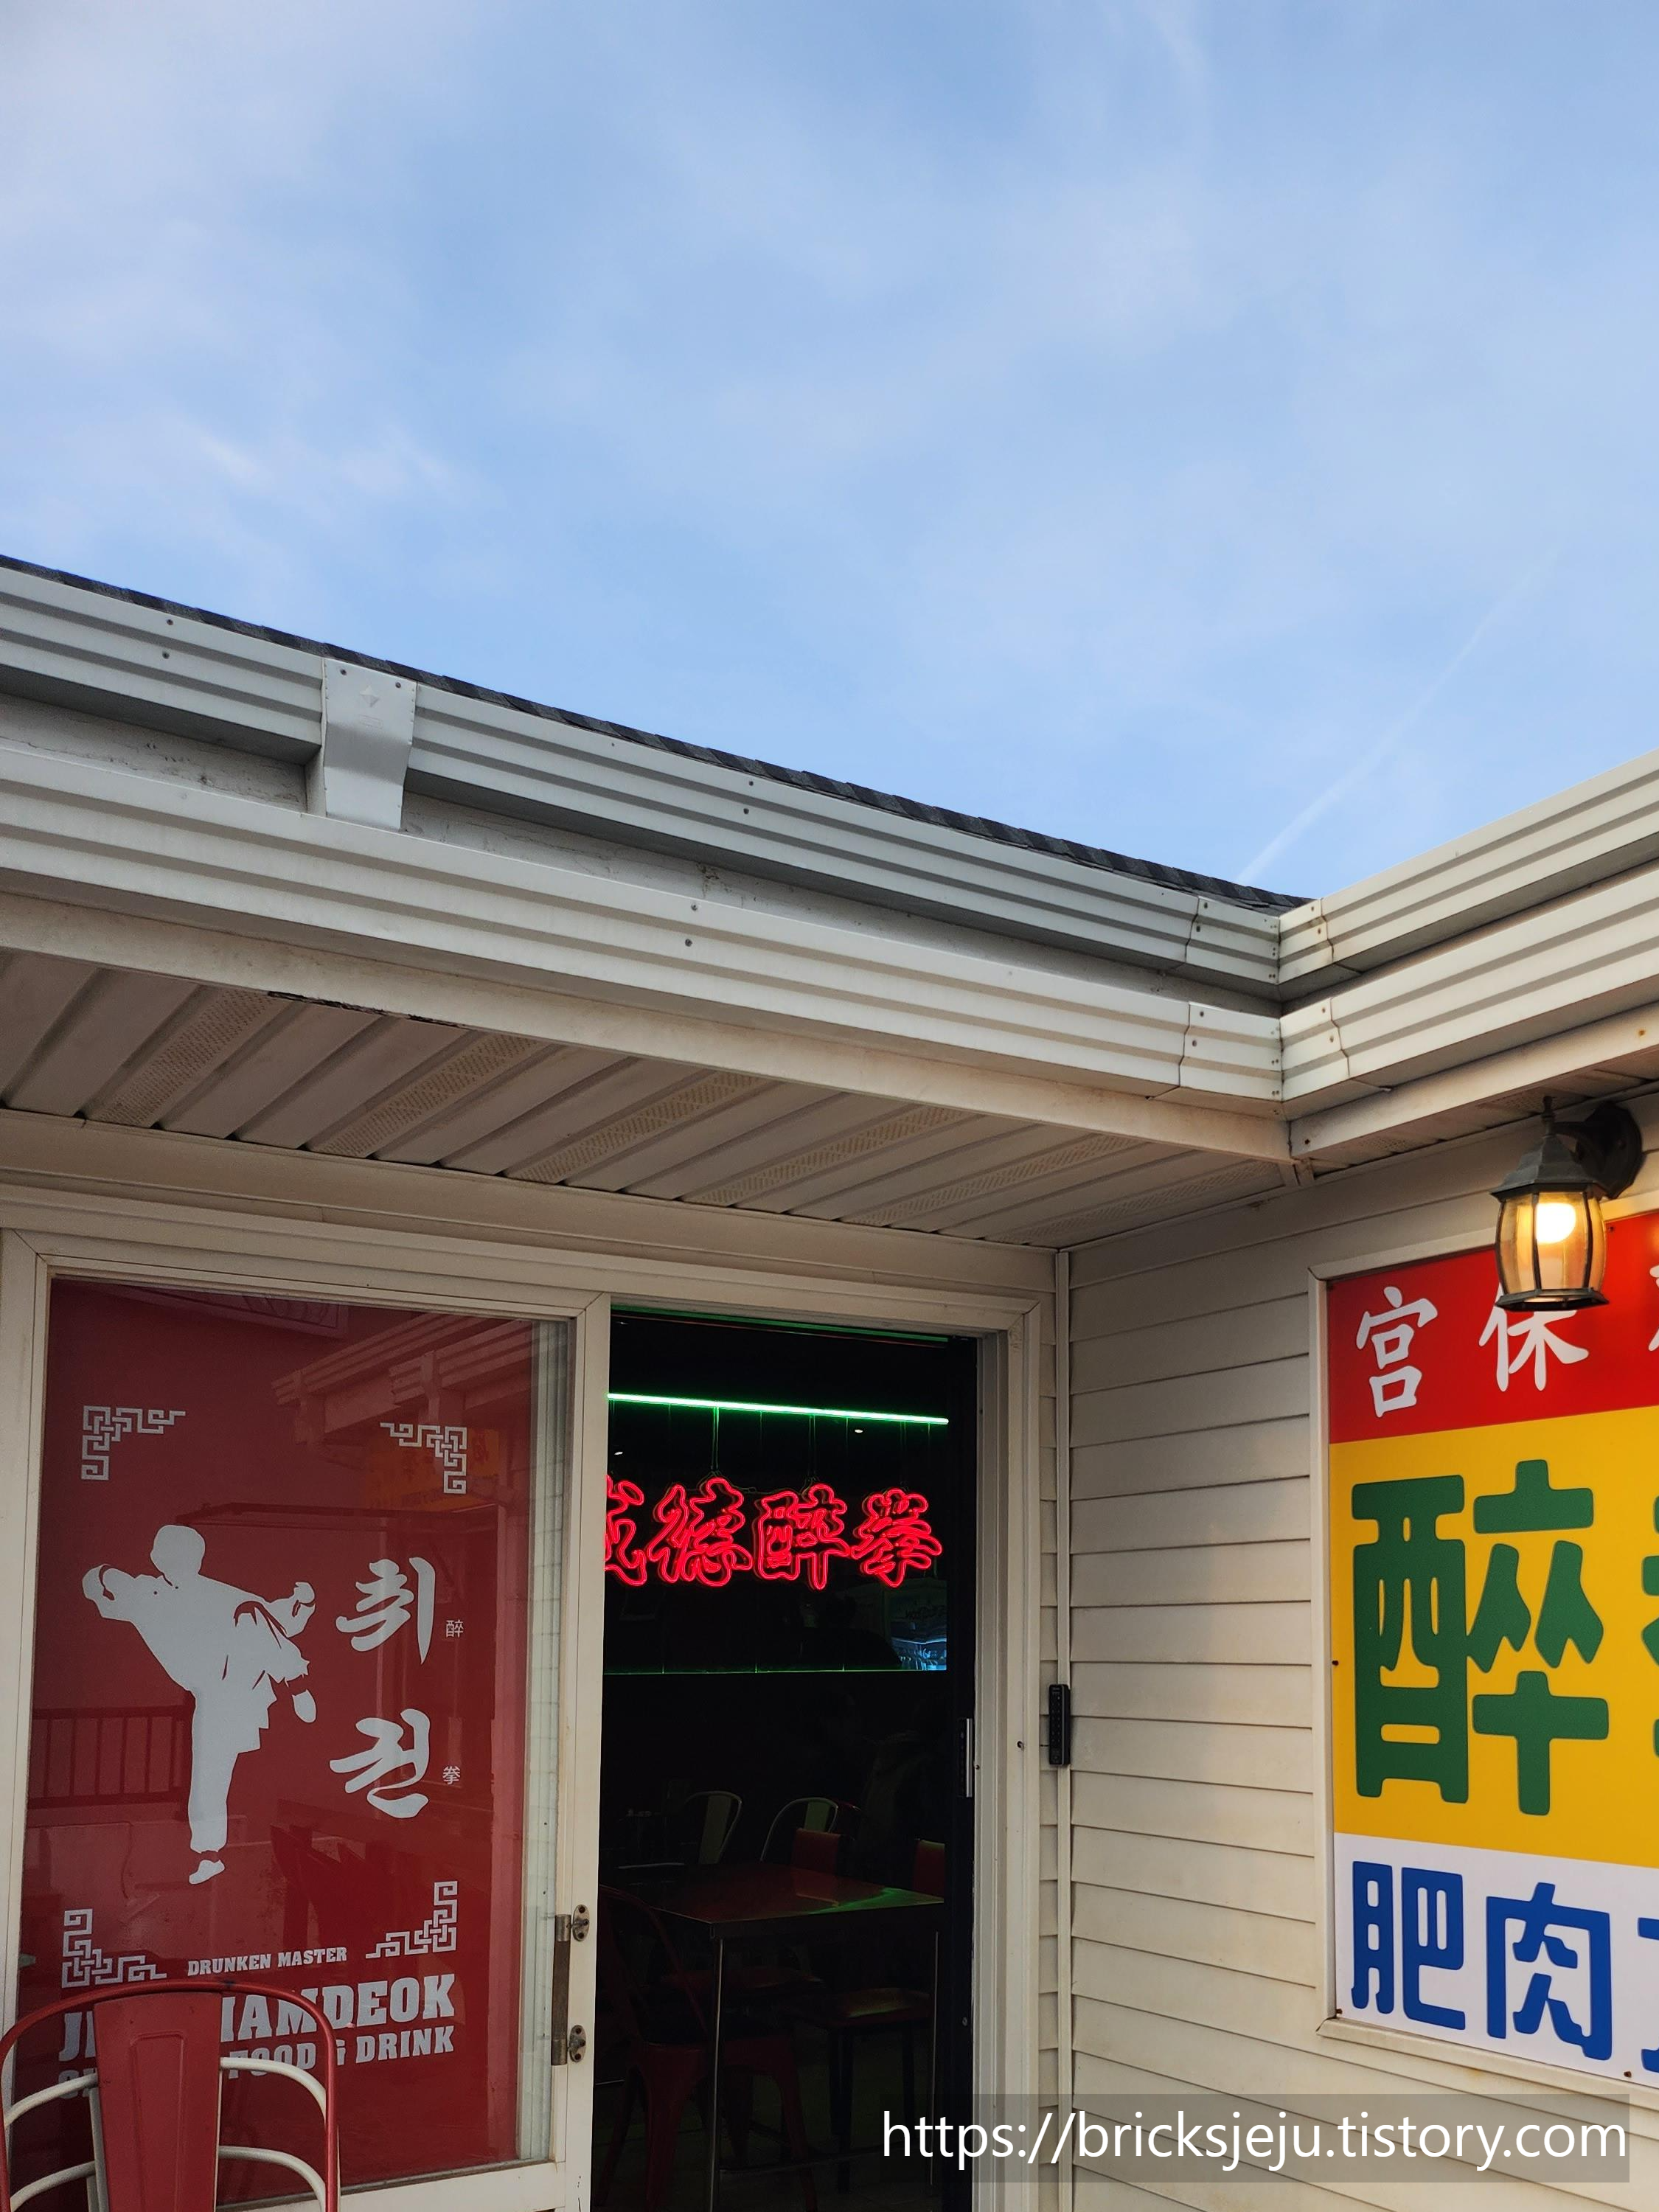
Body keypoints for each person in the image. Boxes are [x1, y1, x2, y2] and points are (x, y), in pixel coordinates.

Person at [84, 1524, 316, 1885]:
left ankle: (296, 1683)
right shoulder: (146, 1592)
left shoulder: (221, 1595)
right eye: (174, 1556)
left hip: (243, 1678)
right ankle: (209, 1853)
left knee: (251, 1612)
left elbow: (279, 1620)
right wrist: (106, 1574)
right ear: (157, 1558)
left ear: (199, 1560)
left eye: (189, 1557)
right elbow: (98, 1587)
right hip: (212, 1690)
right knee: (211, 1770)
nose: (183, 1563)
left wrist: (304, 1601)